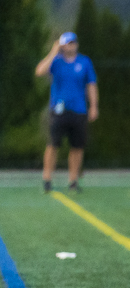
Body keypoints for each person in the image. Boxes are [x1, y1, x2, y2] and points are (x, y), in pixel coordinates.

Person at [34, 32, 98, 194]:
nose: (70, 46)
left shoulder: (84, 62)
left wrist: (94, 106)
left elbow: (91, 84)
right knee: (53, 144)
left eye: (72, 43)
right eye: (67, 43)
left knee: (77, 146)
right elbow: (40, 71)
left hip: (79, 110)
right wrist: (53, 52)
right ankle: (47, 179)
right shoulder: (56, 61)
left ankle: (73, 181)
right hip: (58, 110)